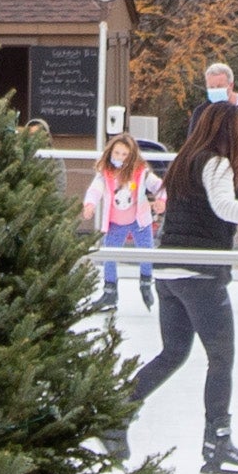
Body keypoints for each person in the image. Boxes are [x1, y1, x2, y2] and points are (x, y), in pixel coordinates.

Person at [129, 94, 238, 474]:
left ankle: (114, 415)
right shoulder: (216, 162)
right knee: (221, 357)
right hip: (199, 274)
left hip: (168, 272)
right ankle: (217, 442)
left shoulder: (183, 162)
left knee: (173, 353)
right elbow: (225, 207)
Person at [82, 130, 161, 333]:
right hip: (115, 222)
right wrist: (89, 204)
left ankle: (145, 281)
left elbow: (159, 186)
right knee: (110, 255)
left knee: (146, 252)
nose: (120, 158)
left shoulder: (140, 172)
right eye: (117, 153)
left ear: (132, 156)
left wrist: (161, 200)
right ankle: (110, 291)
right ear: (110, 153)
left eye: (125, 155)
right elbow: (95, 189)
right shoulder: (105, 173)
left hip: (139, 221)